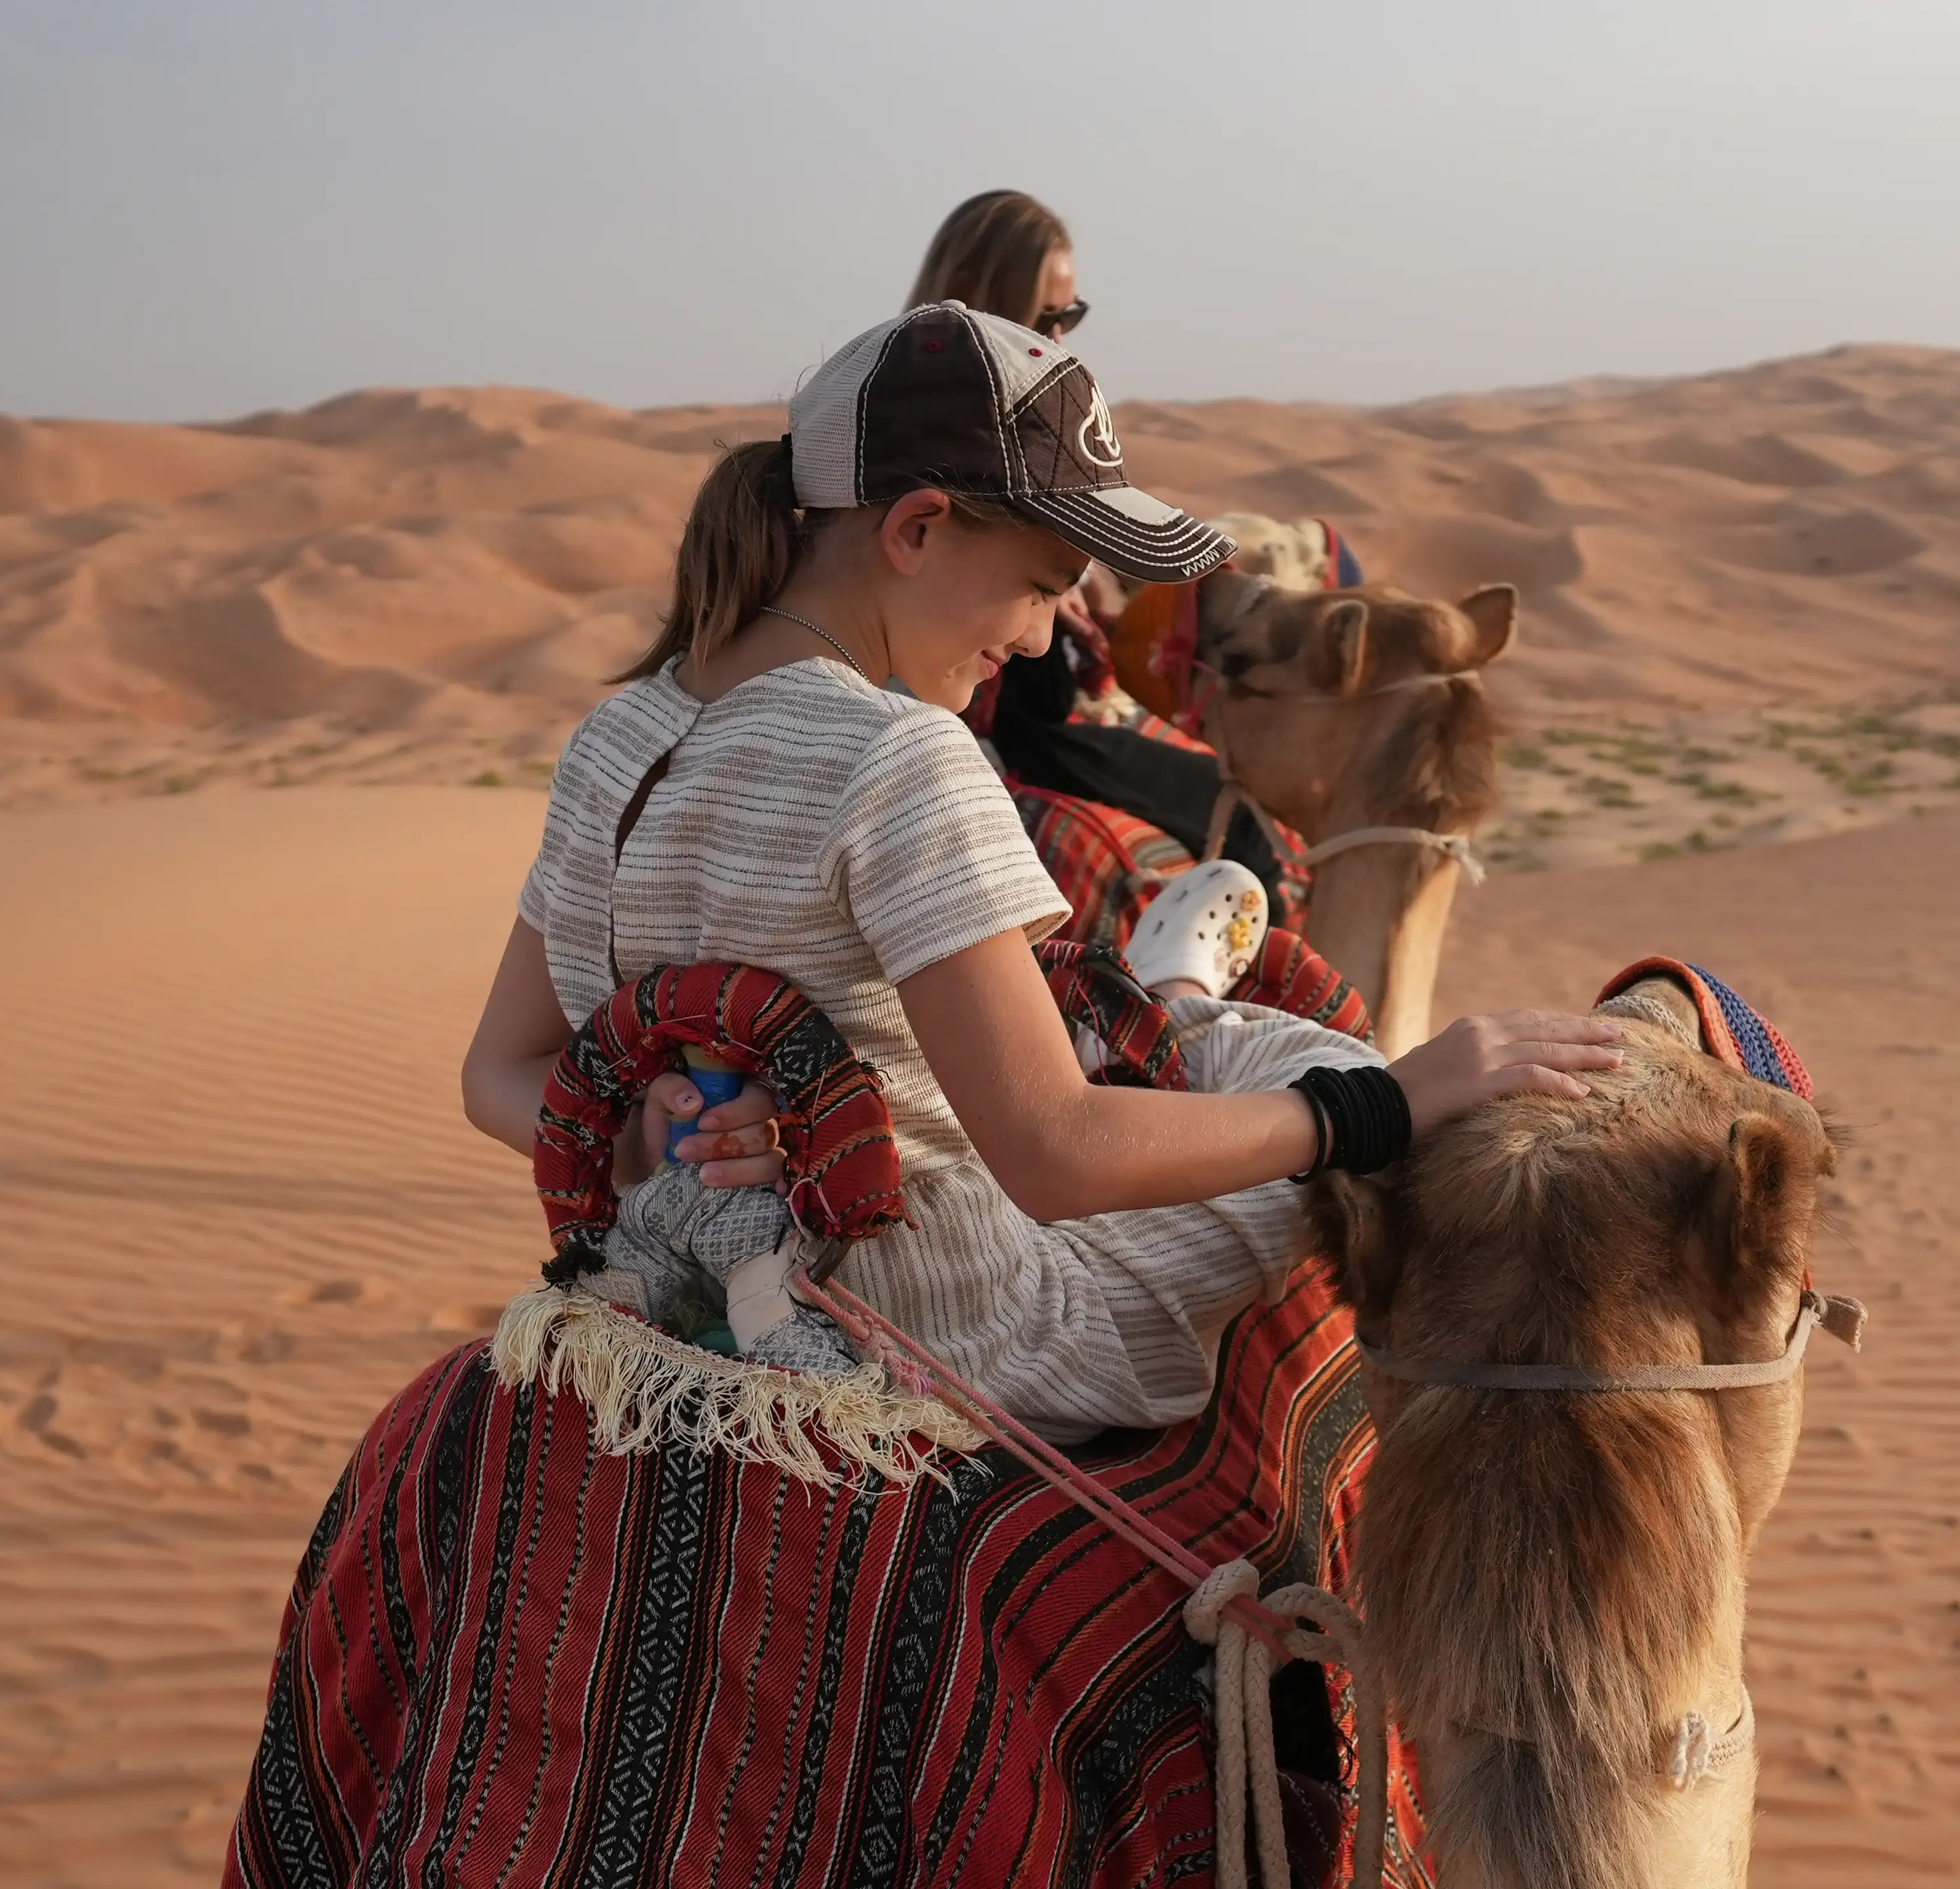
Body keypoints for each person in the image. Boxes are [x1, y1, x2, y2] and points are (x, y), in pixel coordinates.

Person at [460, 301, 1622, 1438]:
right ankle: (1175, 993)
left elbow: (498, 1073)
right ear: (917, 530)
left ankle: (1167, 993)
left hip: (679, 1285)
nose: (1036, 637)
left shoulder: (616, 736)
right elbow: (1057, 1157)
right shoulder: (901, 756)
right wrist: (1389, 1102)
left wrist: (659, 1140)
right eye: (1044, 582)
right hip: (973, 1333)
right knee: (1302, 1059)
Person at [905, 190, 1304, 918]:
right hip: (1011, 715)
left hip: (1048, 690)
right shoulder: (944, 423)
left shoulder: (985, 403)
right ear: (974, 295)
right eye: (1045, 317)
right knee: (1242, 821)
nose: (1061, 336)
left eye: (1072, 315)